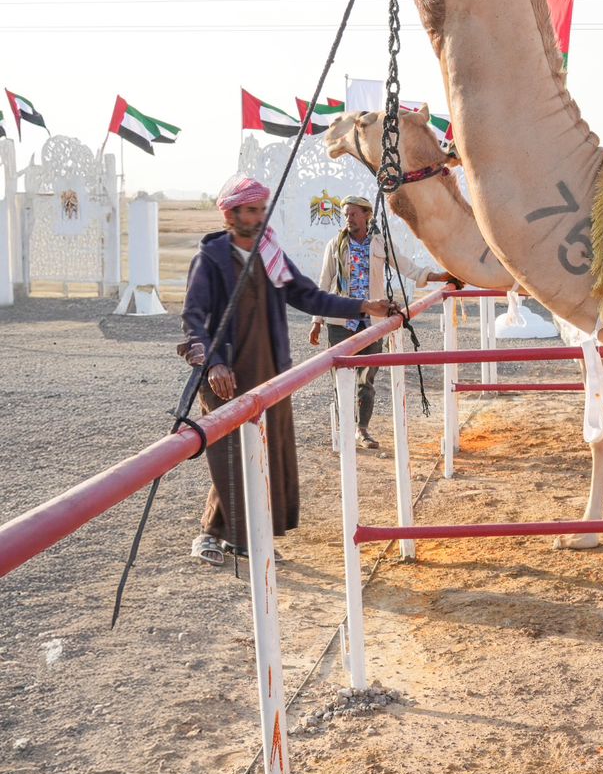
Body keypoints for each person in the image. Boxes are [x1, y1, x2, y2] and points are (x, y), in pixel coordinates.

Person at [180, 175, 393, 566]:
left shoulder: (270, 254)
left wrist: (364, 306)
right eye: (250, 210)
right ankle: (210, 534)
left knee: (262, 455)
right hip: (224, 376)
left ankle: (245, 540)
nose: (258, 216)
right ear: (231, 214)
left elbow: (309, 295)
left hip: (268, 371)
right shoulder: (209, 259)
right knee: (229, 454)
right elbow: (193, 318)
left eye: (262, 209)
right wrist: (213, 363)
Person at [309, 195, 450, 449]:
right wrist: (317, 320)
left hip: (372, 323)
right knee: (342, 378)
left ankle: (362, 430)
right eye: (346, 214)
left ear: (366, 216)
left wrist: (436, 276)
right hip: (341, 323)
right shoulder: (335, 245)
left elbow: (406, 266)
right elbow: (324, 282)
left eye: (353, 214)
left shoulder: (379, 244)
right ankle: (346, 429)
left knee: (367, 380)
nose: (348, 219)